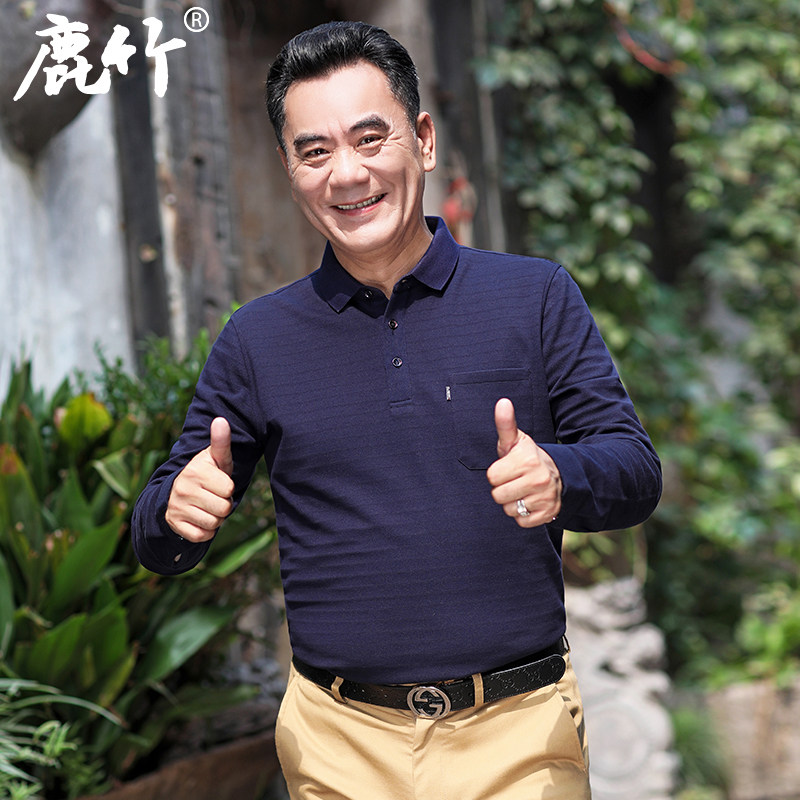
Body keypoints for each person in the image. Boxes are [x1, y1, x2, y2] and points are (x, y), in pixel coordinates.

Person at [132, 20, 662, 800]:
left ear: (424, 139)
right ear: (289, 169)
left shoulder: (534, 297)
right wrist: (175, 512)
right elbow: (156, 537)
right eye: (315, 151)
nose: (347, 174)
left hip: (518, 732)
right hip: (337, 746)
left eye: (370, 138)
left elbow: (635, 472)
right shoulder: (256, 340)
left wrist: (561, 476)